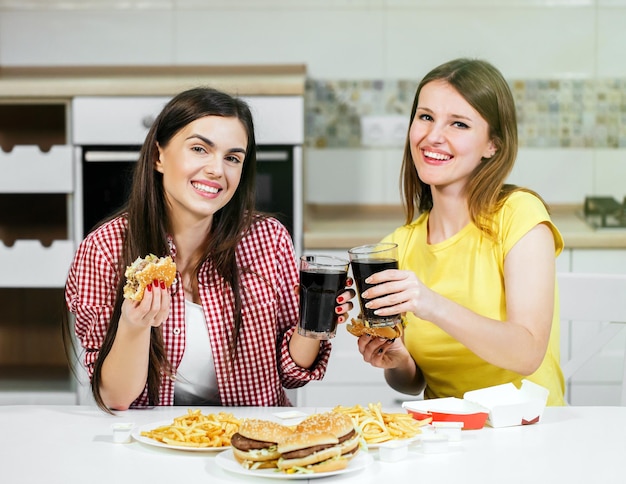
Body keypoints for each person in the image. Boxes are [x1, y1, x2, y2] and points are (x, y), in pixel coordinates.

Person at [65, 87, 354, 412]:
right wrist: (135, 324)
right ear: (159, 156)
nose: (218, 169)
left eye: (232, 158)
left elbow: (291, 374)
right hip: (154, 445)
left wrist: (315, 323)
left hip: (253, 444)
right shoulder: (105, 250)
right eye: (200, 149)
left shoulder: (269, 240)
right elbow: (115, 399)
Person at [354, 58, 565, 406]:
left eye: (459, 124)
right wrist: (397, 359)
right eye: (425, 117)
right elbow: (411, 383)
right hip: (445, 437)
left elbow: (527, 353)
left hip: (528, 431)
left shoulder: (518, 215)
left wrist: (431, 303)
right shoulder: (400, 244)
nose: (433, 136)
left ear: (492, 145)